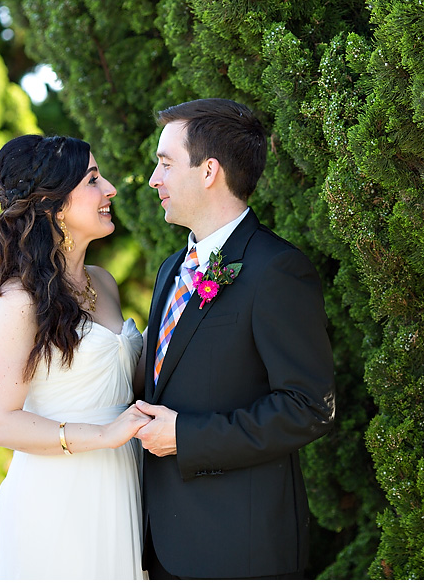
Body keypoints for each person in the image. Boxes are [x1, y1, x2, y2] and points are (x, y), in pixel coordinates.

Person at [135, 99, 336, 579]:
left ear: (209, 171)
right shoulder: (170, 270)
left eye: (165, 164)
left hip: (237, 546)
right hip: (161, 544)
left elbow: (308, 407)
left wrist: (186, 436)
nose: (152, 180)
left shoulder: (276, 270)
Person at [0, 134, 151, 579]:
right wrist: (105, 434)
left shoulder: (103, 282)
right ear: (52, 206)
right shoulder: (17, 301)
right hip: (59, 496)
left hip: (123, 480)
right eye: (93, 179)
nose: (110, 188)